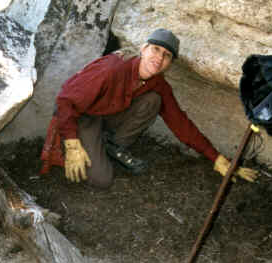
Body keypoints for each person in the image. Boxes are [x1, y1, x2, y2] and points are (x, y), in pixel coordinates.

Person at [40, 28, 258, 187]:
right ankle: (92, 144)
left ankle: (112, 145)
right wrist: (71, 143)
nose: (159, 58)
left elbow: (180, 122)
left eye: (167, 55)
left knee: (154, 100)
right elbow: (65, 100)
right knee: (102, 180)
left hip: (107, 116)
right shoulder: (112, 69)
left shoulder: (158, 83)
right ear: (143, 49)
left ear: (170, 64)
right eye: (156, 49)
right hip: (84, 118)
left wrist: (216, 158)